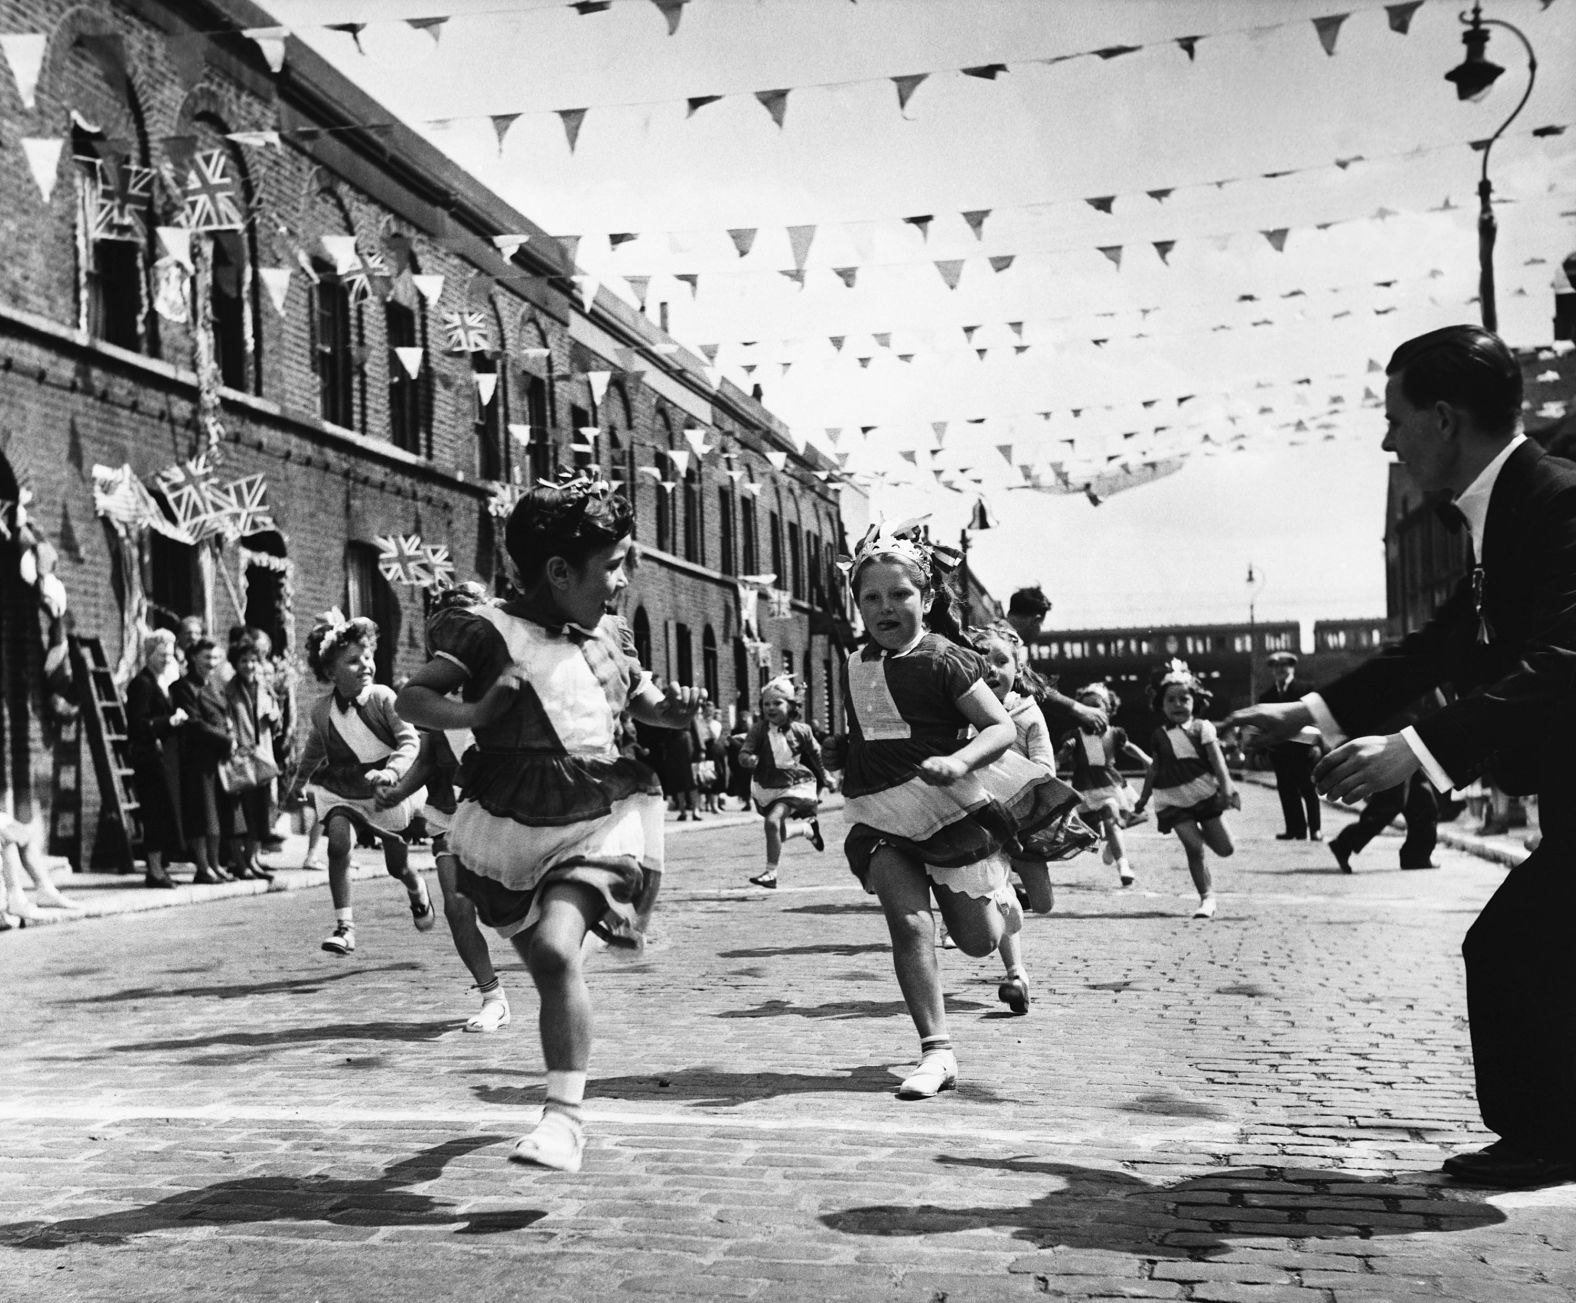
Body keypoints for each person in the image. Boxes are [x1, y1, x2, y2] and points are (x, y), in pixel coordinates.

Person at [1226, 324, 1576, 1190]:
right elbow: (1438, 647)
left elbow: (1566, 660)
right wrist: (1310, 706)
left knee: (1512, 946)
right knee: (1528, 945)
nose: (1388, 440)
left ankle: (1548, 1134)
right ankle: (1547, 1129)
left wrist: (1416, 751)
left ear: (1445, 419)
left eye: (1396, 418)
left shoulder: (1559, 502)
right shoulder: (1509, 509)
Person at [396, 471, 705, 1174]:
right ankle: (562, 1095)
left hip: (599, 815)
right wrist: (474, 714)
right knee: (546, 961)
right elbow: (414, 697)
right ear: (560, 572)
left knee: (559, 951)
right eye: (614, 564)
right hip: (512, 820)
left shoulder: (610, 633)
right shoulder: (487, 632)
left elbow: (645, 701)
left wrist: (675, 710)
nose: (622, 580)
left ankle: (564, 1117)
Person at [839, 521, 1082, 1097]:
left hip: (948, 808)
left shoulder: (946, 659)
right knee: (908, 922)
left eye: (900, 594)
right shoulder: (853, 662)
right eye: (870, 597)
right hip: (880, 812)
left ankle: (1002, 898)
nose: (885, 606)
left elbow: (999, 728)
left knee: (975, 940)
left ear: (926, 599)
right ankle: (936, 1052)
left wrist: (959, 762)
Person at [379, 582, 511, 1034]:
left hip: (505, 812)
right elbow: (431, 756)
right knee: (457, 908)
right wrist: (397, 791)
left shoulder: (505, 677)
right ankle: (493, 996)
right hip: (451, 816)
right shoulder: (436, 687)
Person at [964, 621, 1096, 1015]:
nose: (992, 668)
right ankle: (1016, 974)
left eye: (1002, 660)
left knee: (1042, 902)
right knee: (994, 891)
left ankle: (1015, 894)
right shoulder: (960, 711)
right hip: (979, 821)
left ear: (1018, 669)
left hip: (1023, 821)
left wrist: (1018, 782)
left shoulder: (1027, 712)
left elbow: (1043, 765)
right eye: (981, 659)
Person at [287, 612, 434, 957]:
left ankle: (417, 889)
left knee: (397, 866)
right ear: (330, 672)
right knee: (338, 843)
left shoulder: (383, 698)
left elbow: (409, 741)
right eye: (353, 661)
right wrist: (297, 783)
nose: (365, 665)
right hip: (345, 787)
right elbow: (313, 751)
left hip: (386, 791)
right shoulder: (322, 711)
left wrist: (392, 773)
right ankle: (345, 927)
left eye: (367, 657)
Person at [1132, 659, 1239, 919]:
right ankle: (1206, 897)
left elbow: (1217, 761)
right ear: (1161, 704)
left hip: (1203, 794)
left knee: (1226, 849)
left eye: (1184, 699)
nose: (1178, 705)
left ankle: (1205, 833)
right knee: (1194, 847)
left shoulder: (1204, 728)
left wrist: (1226, 790)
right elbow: (1154, 768)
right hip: (1173, 799)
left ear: (1194, 701)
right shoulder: (1158, 734)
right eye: (1171, 700)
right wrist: (1143, 798)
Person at [737, 675, 828, 890]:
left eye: (777, 703)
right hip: (767, 785)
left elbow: (816, 754)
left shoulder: (801, 730)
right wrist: (747, 759)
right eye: (767, 703)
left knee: (772, 822)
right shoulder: (759, 730)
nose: (771, 708)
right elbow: (745, 750)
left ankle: (771, 873)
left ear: (791, 705)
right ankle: (807, 829)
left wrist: (827, 776)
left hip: (793, 785)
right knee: (777, 830)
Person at [1060, 681, 1151, 888]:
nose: (1091, 711)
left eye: (1097, 705)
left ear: (1108, 709)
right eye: (1086, 706)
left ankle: (1123, 866)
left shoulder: (1115, 733)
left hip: (1108, 782)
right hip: (1083, 786)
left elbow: (1128, 748)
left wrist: (1146, 759)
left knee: (1111, 816)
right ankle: (1112, 840)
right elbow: (1060, 758)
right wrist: (1063, 754)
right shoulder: (1074, 736)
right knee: (1093, 833)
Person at [123, 629, 189, 889]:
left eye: (170, 655)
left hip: (162, 758)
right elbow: (138, 724)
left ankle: (160, 867)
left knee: (163, 813)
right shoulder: (142, 683)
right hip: (148, 758)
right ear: (150, 654)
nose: (167, 660)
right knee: (154, 814)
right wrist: (169, 721)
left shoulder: (159, 682)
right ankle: (153, 870)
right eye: (162, 655)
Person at [170, 636, 236, 885]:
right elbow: (194, 723)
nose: (211, 663)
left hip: (217, 759)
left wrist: (230, 732)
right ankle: (202, 866)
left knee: (215, 815)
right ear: (193, 658)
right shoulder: (182, 688)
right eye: (206, 657)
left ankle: (215, 864)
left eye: (215, 658)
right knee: (201, 815)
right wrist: (225, 739)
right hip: (196, 759)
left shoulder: (215, 686)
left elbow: (223, 714)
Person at [1003, 585, 1108, 739]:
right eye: (1041, 625)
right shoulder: (1004, 641)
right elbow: (1029, 684)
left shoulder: (994, 633)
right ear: (1036, 620)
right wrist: (1078, 709)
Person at [223, 633, 281, 882]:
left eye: (253, 661)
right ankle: (240, 862)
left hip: (263, 757)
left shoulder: (264, 687)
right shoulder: (229, 690)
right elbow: (227, 719)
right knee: (241, 812)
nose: (249, 665)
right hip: (242, 757)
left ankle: (254, 859)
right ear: (236, 663)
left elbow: (276, 721)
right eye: (244, 661)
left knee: (260, 810)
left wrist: (275, 717)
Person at [1258, 651, 1322, 842]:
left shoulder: (1306, 689)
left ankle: (1315, 830)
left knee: (1308, 790)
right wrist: (1262, 750)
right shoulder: (1267, 696)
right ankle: (1295, 830)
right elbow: (1263, 724)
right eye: (1276, 667)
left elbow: (1317, 718)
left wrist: (1318, 744)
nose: (1280, 670)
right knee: (1287, 791)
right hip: (1280, 751)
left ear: (1292, 667)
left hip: (1304, 750)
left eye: (1284, 666)